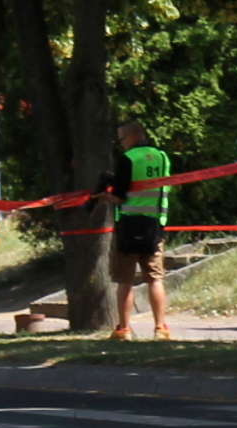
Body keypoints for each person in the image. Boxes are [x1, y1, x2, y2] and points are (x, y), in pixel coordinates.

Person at [99, 119, 172, 340]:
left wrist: (104, 196)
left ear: (133, 136)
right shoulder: (162, 156)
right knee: (155, 279)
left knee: (125, 281)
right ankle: (160, 328)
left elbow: (120, 196)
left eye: (121, 138)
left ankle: (124, 329)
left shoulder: (128, 158)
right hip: (154, 225)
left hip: (128, 226)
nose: (120, 143)